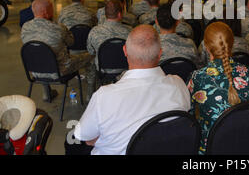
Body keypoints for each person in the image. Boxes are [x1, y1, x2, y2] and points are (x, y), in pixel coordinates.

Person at [73, 25, 191, 155]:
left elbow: (85, 137)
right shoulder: (179, 85)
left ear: (125, 51)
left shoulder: (104, 96)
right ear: (160, 54)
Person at [188, 22, 249, 154]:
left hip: (209, 148)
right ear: (232, 44)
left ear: (206, 47)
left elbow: (189, 118)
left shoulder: (197, 78)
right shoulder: (247, 73)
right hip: (242, 144)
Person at [21, 0, 93, 102]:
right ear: (46, 12)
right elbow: (71, 43)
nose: (53, 11)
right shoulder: (58, 28)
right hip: (60, 70)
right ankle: (90, 95)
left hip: (35, 72)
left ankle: (46, 93)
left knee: (40, 58)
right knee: (90, 56)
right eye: (51, 8)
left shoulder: (25, 28)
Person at [86, 0, 132, 96]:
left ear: (105, 14)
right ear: (120, 14)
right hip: (125, 71)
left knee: (90, 60)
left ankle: (91, 93)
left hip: (103, 70)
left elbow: (91, 51)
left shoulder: (94, 31)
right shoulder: (130, 32)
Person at [156, 3, 200, 67]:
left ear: (156, 22)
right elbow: (197, 67)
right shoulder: (190, 45)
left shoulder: (152, 49)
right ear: (178, 21)